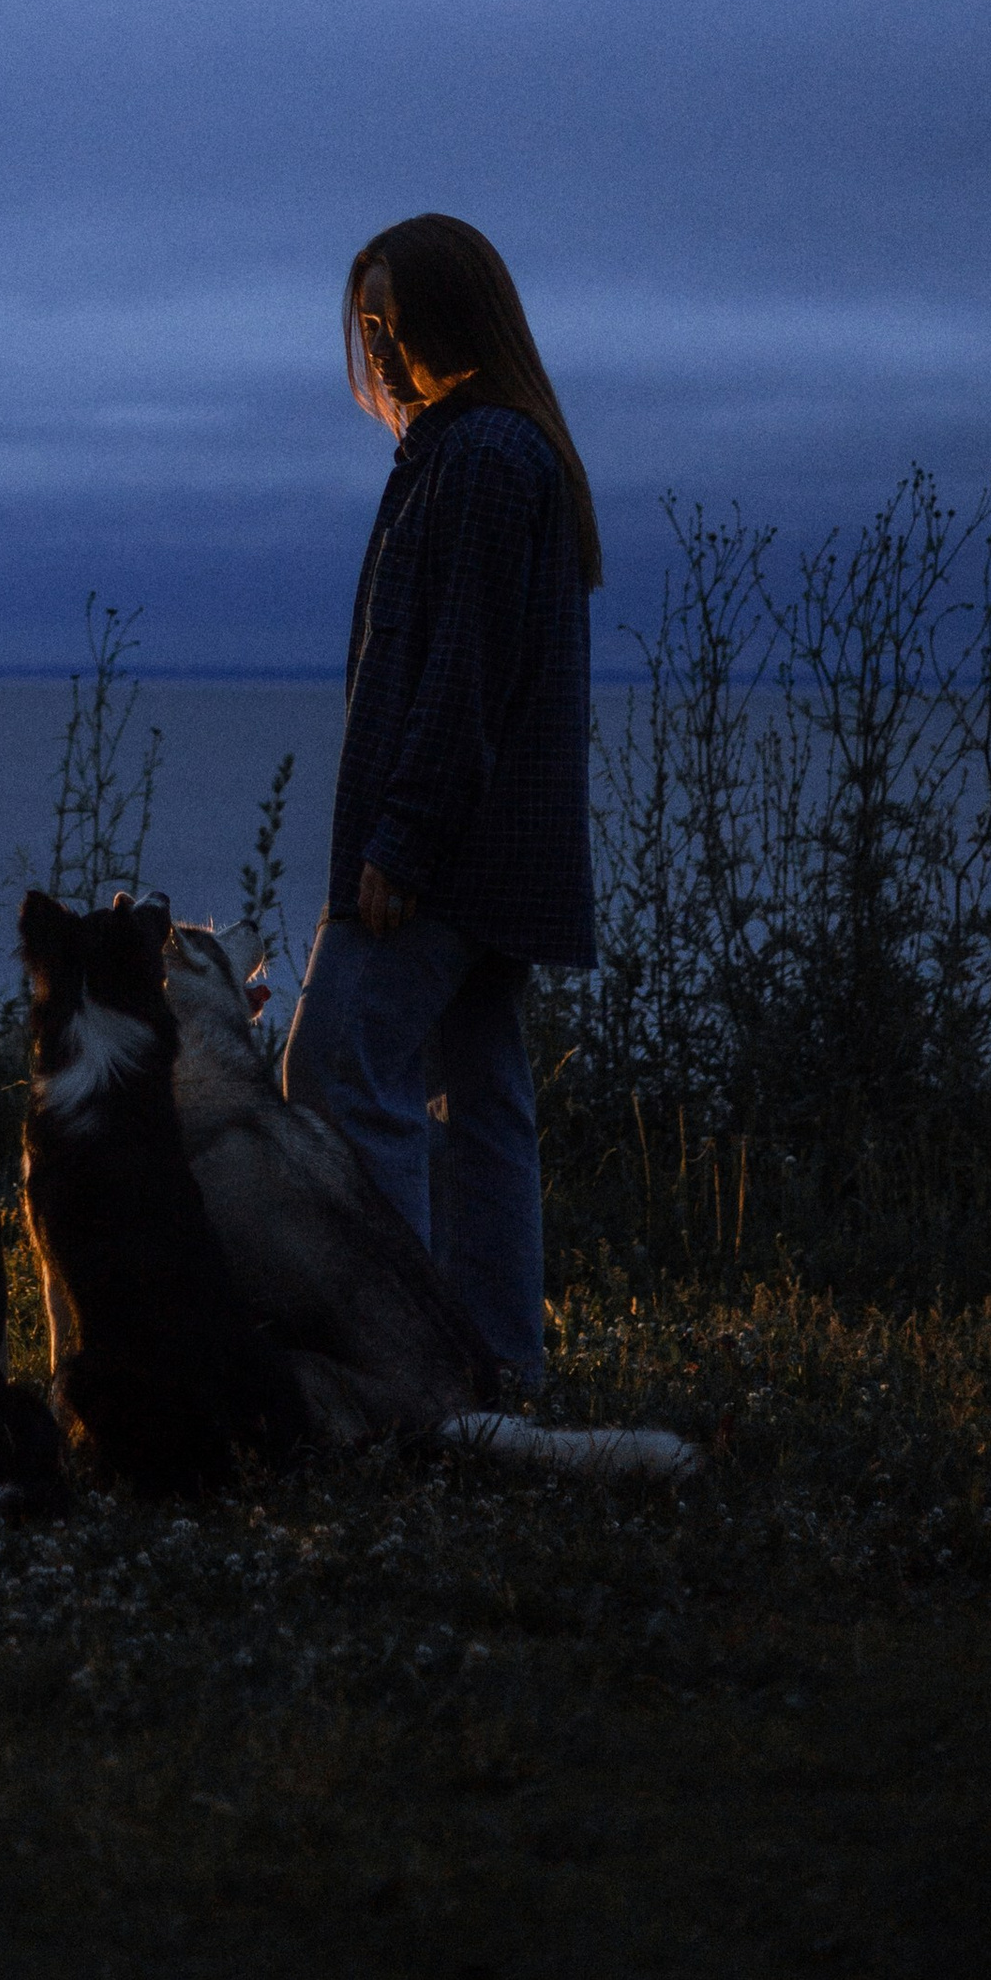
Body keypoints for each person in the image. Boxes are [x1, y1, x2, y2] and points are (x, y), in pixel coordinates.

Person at [279, 214, 600, 1390]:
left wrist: (401, 841)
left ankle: (407, 1370)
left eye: (389, 316)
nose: (378, 342)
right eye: (366, 321)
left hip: (448, 851)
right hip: (501, 852)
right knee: (477, 1097)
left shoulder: (475, 460)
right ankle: (499, 1363)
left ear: (449, 311)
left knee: (339, 1070)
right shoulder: (501, 452)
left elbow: (459, 671)